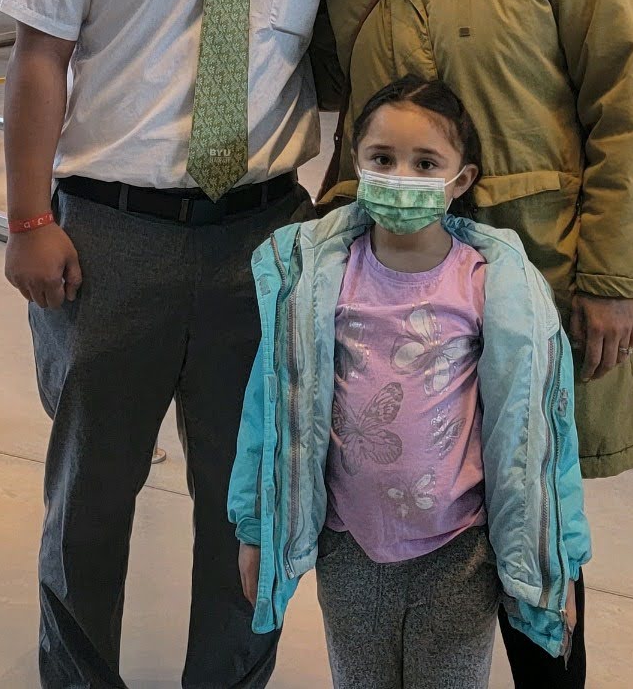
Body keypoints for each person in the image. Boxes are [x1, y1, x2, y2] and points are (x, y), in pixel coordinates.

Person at [0, 0, 344, 689]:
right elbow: (38, 53)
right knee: (90, 496)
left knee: (250, 502)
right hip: (111, 237)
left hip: (264, 236)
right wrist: (27, 219)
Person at [311, 0, 633, 687]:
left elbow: (619, 103)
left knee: (534, 531)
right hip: (392, 290)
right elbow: (336, 93)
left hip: (532, 277)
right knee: (411, 498)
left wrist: (612, 277)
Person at [230, 75, 589, 689]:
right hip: (349, 546)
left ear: (462, 179)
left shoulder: (492, 287)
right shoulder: (313, 284)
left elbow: (542, 439)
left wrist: (559, 563)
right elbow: (271, 409)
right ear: (356, 163)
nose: (401, 176)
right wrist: (256, 526)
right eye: (382, 158)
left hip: (458, 553)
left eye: (425, 163)